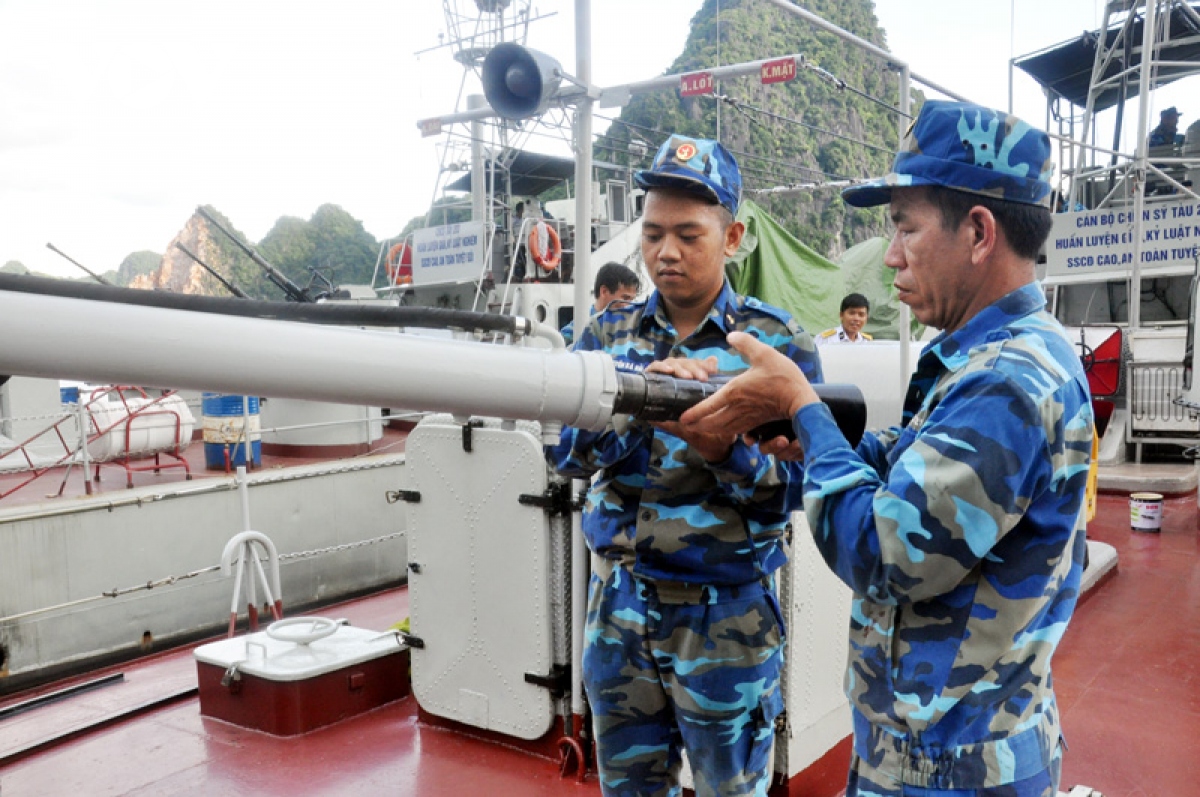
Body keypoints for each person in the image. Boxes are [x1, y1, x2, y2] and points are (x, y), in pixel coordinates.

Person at [680, 101, 1094, 796]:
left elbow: (884, 551)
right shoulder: (992, 357)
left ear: (979, 232)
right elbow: (913, 462)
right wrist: (808, 441)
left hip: (949, 773)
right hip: (935, 753)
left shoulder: (1008, 382)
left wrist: (802, 408)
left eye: (906, 227)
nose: (892, 254)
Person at [546, 134, 823, 796]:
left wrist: (722, 449)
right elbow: (568, 454)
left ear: (733, 237)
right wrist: (635, 403)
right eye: (651, 234)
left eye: (688, 235)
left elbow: (794, 487)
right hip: (620, 603)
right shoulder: (604, 340)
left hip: (724, 615)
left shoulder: (776, 346)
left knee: (733, 786)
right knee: (628, 784)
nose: (664, 253)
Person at [560, 262, 640, 346]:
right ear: (604, 292)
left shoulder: (632, 329)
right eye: (625, 298)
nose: (630, 305)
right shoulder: (573, 334)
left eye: (632, 300)